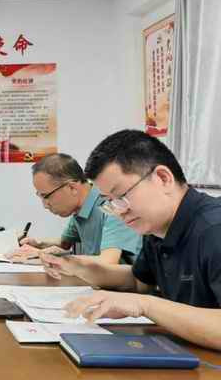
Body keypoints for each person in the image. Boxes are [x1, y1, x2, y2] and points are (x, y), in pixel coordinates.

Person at [41, 130, 221, 350]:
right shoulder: (157, 229)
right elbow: (138, 281)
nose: (119, 211)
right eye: (109, 202)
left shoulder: (214, 229)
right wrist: (77, 266)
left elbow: (142, 297)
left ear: (163, 178)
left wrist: (144, 305)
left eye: (121, 196)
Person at [8, 153, 142, 264]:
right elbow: (64, 244)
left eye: (46, 196)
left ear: (72, 187)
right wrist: (38, 244)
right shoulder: (80, 208)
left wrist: (46, 256)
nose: (45, 205)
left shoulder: (111, 204)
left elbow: (108, 261)